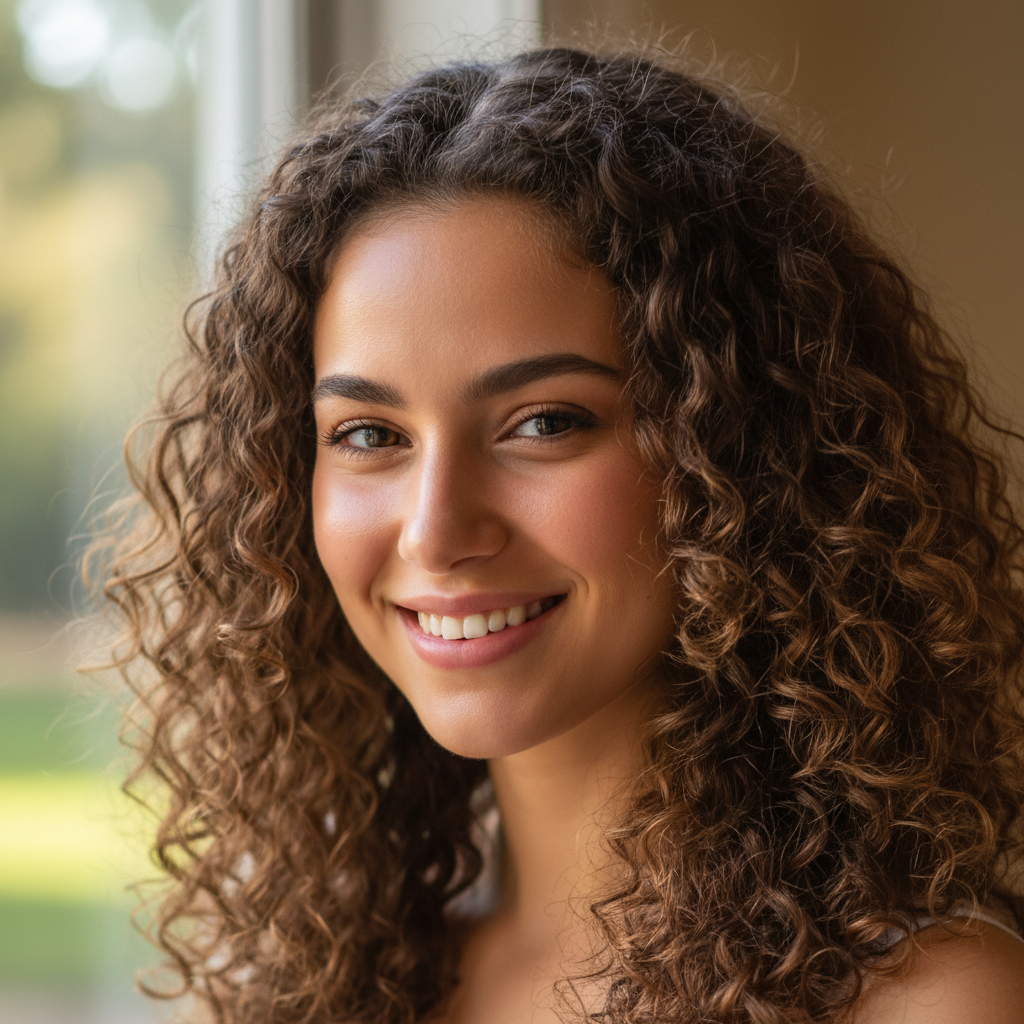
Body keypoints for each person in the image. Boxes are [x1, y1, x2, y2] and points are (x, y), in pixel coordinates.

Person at [90, 46, 1024, 1023]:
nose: (436, 529)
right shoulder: (316, 990)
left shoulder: (924, 1001)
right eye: (370, 435)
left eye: (544, 422)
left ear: (743, 453)